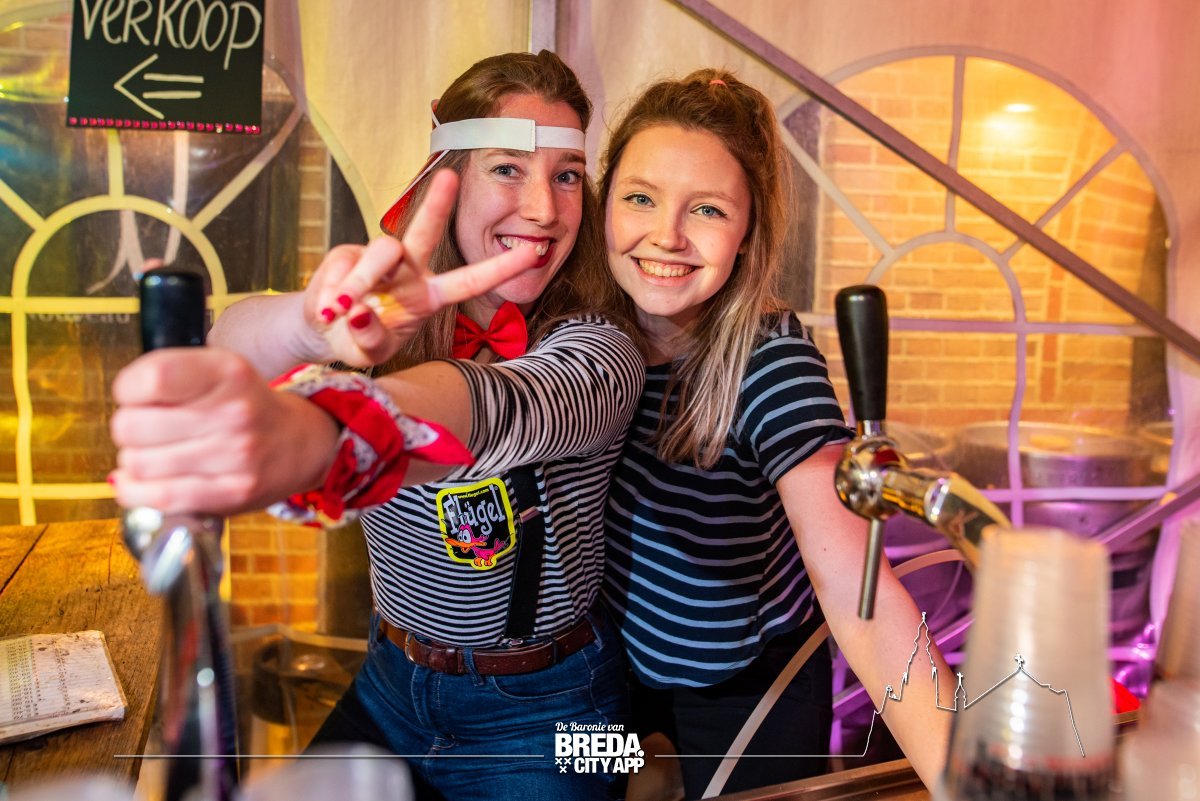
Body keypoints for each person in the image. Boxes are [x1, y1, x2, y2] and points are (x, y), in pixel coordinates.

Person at [111, 50, 644, 801]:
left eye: (566, 175)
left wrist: (320, 434)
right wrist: (309, 326)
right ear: (447, 179)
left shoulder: (604, 349)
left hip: (564, 707)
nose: (544, 210)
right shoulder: (380, 319)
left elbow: (492, 407)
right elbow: (227, 342)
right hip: (392, 682)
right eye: (507, 169)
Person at [595, 70, 952, 797]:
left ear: (748, 232)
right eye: (640, 197)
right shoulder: (588, 336)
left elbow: (860, 596)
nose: (666, 235)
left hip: (748, 688)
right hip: (617, 669)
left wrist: (969, 779)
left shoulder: (771, 364)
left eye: (707, 209)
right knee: (600, 776)